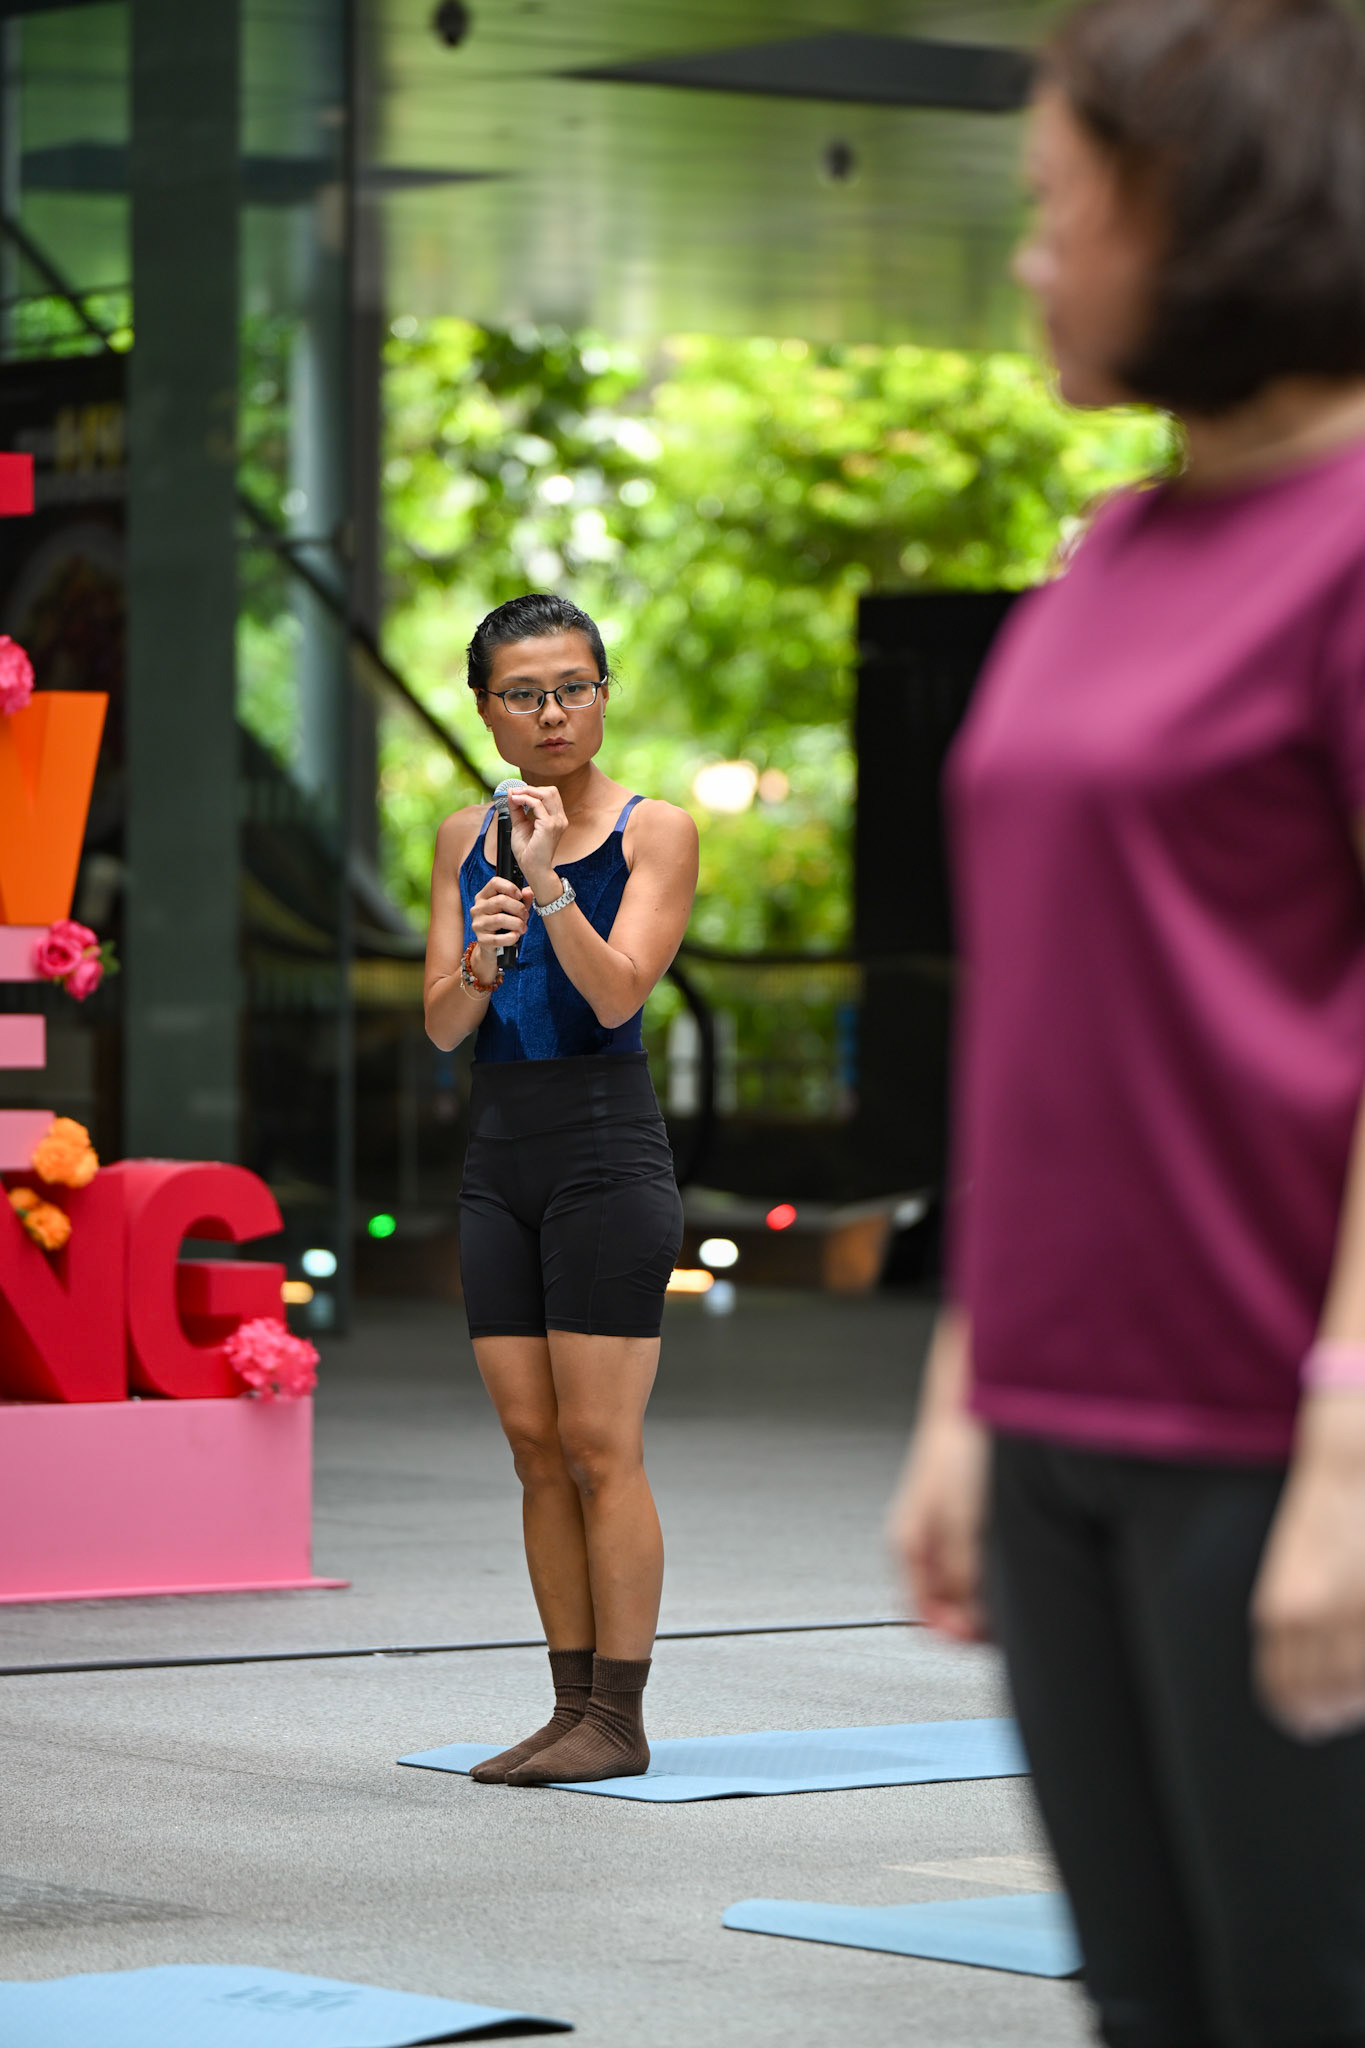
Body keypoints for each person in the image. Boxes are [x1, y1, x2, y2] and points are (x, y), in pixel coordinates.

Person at [889, 2, 1365, 2042]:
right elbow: (1043, 1003)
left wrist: (1351, 1443)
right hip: (1061, 1419)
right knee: (1151, 2006)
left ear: (1206, 209)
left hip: (1277, 1428)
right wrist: (961, 1389)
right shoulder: (1114, 547)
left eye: (1054, 206)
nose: (1026, 259)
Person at [425, 593, 698, 1785]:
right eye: (525, 694)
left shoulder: (654, 830)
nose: (553, 713)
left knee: (599, 1443)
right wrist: (479, 957)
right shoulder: (459, 837)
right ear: (486, 710)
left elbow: (619, 992)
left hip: (603, 1149)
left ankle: (619, 1718)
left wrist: (546, 888)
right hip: (501, 1157)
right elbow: (444, 1025)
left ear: (603, 693)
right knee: (536, 1448)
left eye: (574, 687)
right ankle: (569, 1703)